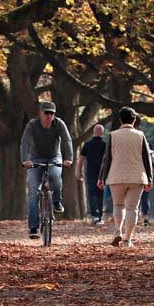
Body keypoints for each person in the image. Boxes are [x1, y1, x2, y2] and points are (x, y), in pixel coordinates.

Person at [98, 107, 153, 247]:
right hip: (137, 176)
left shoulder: (113, 135)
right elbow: (147, 158)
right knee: (132, 208)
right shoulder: (140, 135)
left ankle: (118, 231)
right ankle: (128, 239)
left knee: (118, 205)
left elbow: (107, 159)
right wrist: (150, 178)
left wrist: (101, 177)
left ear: (120, 120)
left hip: (116, 176)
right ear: (134, 120)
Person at [20, 101, 73, 239]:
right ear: (40, 113)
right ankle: (33, 228)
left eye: (52, 113)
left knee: (55, 177)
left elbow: (67, 141)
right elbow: (25, 142)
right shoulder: (32, 125)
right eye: (46, 113)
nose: (49, 115)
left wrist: (69, 158)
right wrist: (25, 159)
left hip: (54, 157)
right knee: (33, 191)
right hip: (35, 158)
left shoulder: (59, 124)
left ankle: (56, 201)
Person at [78, 124, 107, 224]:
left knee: (91, 194)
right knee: (100, 194)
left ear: (93, 132)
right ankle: (100, 217)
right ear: (102, 133)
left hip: (90, 172)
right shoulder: (105, 145)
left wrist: (79, 171)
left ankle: (94, 215)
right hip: (101, 173)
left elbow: (81, 159)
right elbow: (107, 159)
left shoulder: (87, 144)